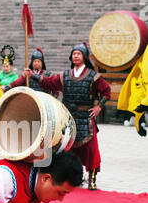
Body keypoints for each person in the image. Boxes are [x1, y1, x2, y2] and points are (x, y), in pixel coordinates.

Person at [22, 42, 111, 190]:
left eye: (79, 54)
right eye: (74, 54)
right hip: (68, 116)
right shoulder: (65, 76)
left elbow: (106, 91)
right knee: (66, 148)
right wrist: (34, 76)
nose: (76, 56)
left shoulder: (94, 76)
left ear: (84, 57)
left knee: (91, 150)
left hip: (85, 117)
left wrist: (99, 107)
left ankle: (92, 178)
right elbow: (50, 83)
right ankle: (69, 177)